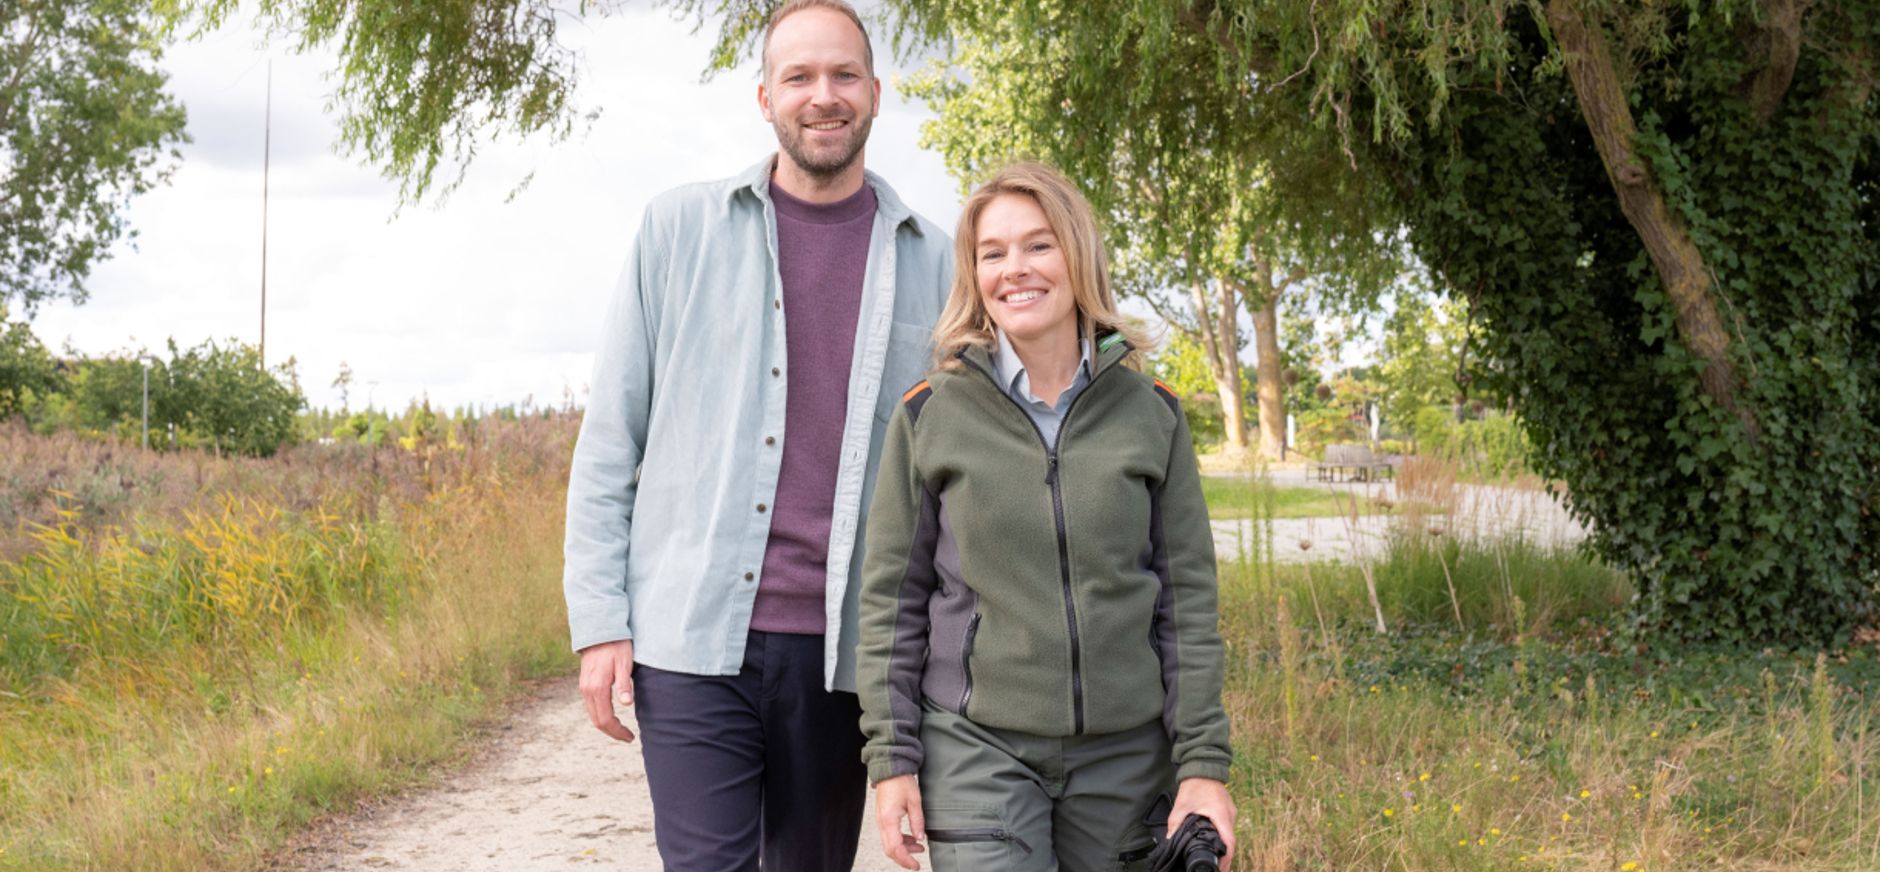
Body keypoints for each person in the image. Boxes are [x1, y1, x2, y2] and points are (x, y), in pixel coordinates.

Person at [560, 1, 951, 868]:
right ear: (765, 95)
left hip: (845, 655)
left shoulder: (939, 262)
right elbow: (611, 442)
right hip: (692, 642)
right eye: (801, 77)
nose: (824, 96)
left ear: (877, 94)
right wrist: (600, 621)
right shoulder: (678, 231)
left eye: (844, 75)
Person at [857, 162, 1238, 871]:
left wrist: (1203, 764)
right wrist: (893, 761)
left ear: (1077, 254)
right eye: (992, 252)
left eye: (1038, 245)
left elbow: (1187, 602)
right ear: (974, 274)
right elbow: (892, 603)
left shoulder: (1152, 413)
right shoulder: (928, 415)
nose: (1015, 269)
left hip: (1126, 759)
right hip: (977, 749)